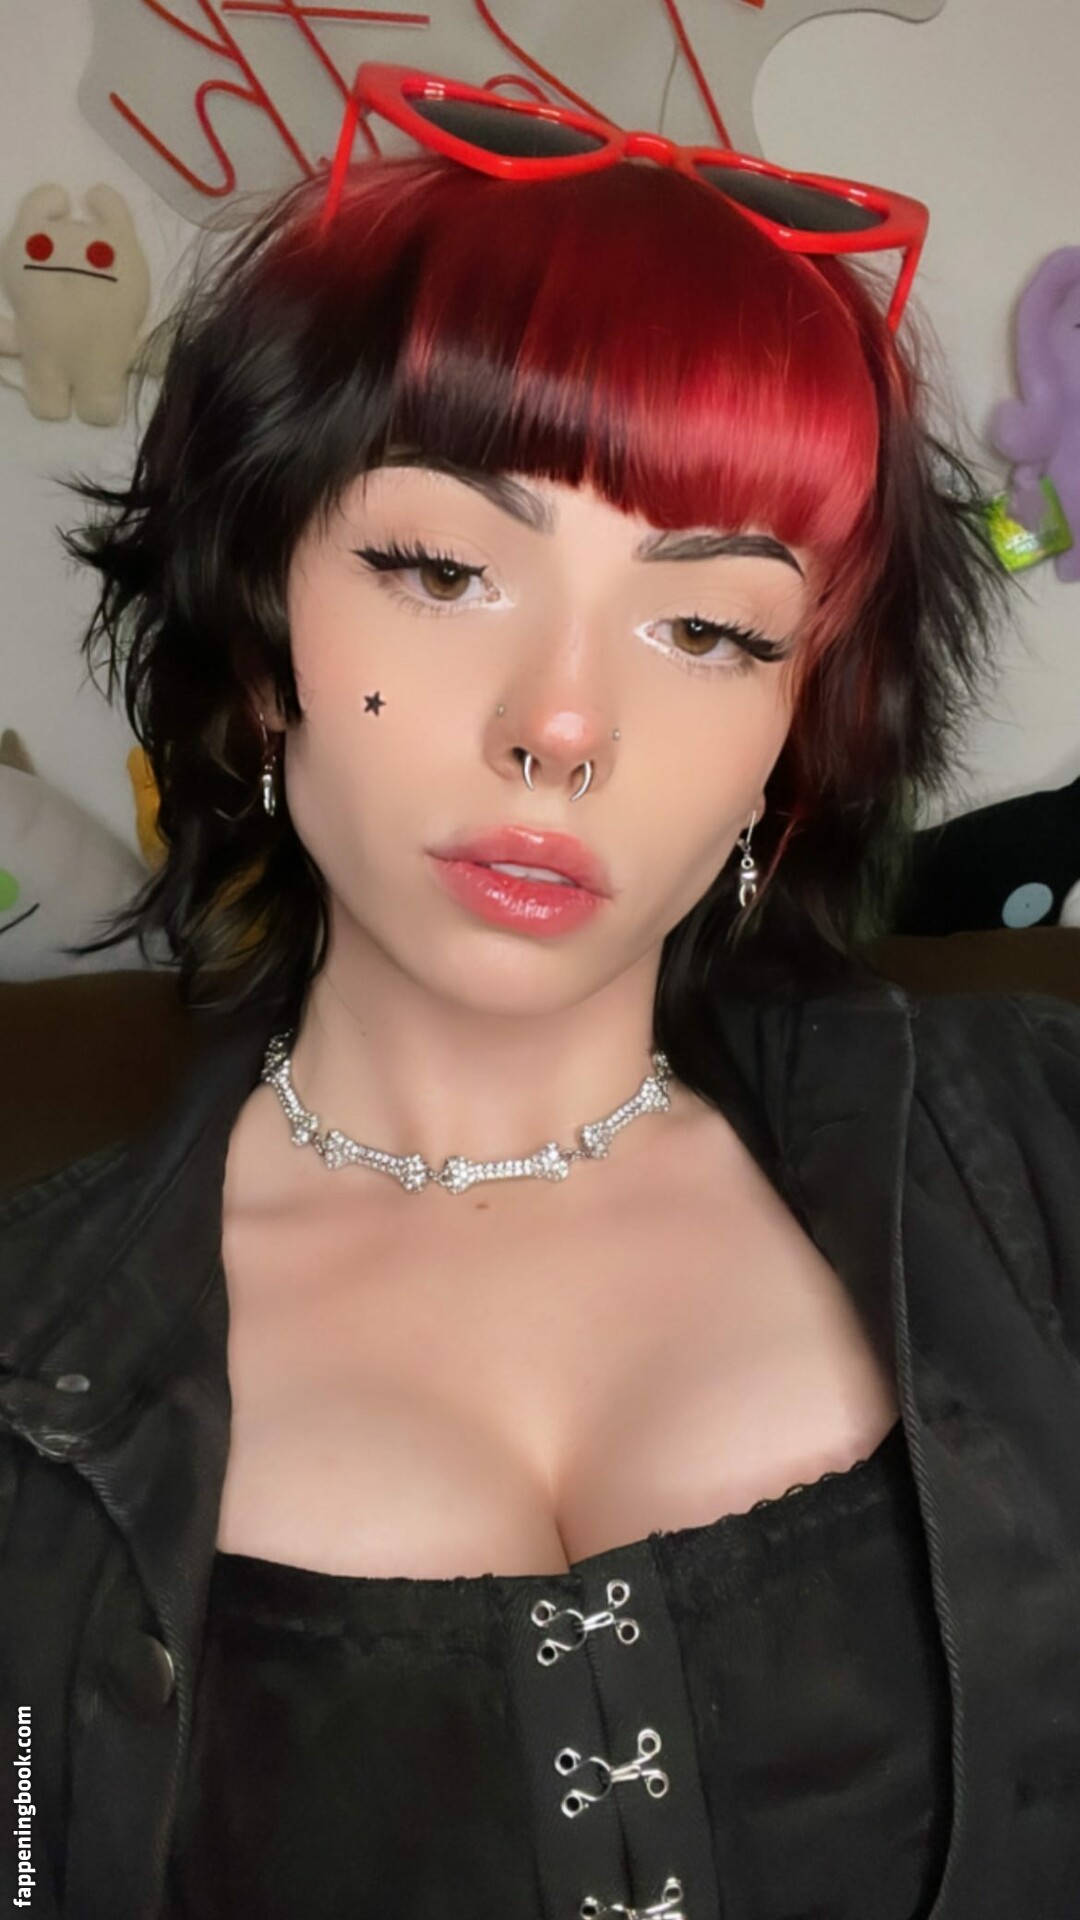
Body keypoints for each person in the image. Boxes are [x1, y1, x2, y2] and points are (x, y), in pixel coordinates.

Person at [2, 61, 1080, 1920]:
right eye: (441, 568)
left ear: (794, 744)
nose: (564, 725)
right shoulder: (29, 1354)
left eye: (711, 626)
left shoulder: (1043, 1151)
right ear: (261, 640)